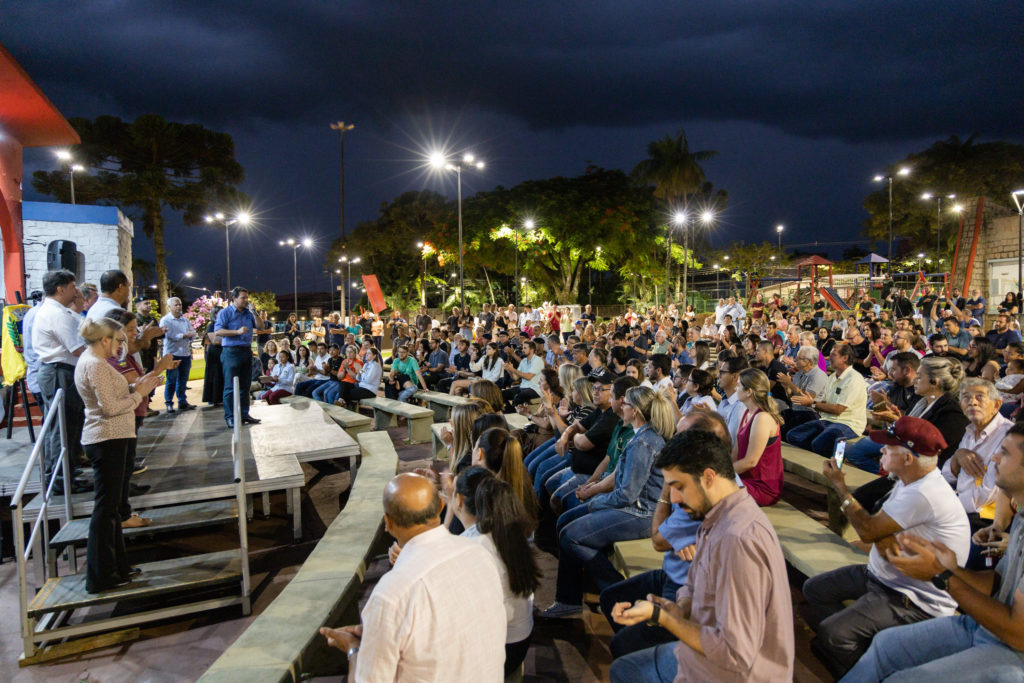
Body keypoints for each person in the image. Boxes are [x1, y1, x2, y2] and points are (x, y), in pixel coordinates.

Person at [607, 428, 794, 683]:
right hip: (707, 656)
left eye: (679, 486)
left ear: (708, 477)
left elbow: (734, 653)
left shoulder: (738, 539)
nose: (673, 498)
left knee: (625, 670)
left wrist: (662, 618)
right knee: (624, 662)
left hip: (734, 674)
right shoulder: (716, 516)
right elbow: (694, 585)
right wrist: (679, 608)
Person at [844, 423, 1024, 681]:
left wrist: (943, 576)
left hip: (1015, 653)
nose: (994, 457)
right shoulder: (1021, 518)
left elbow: (1019, 633)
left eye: (1004, 453)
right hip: (987, 629)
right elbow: (996, 582)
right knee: (885, 646)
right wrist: (949, 568)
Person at [803, 417, 972, 677]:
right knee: (814, 590)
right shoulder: (908, 480)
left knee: (834, 634)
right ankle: (864, 649)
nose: (881, 449)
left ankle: (874, 672)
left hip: (913, 599)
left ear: (908, 458)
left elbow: (868, 531)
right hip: (884, 576)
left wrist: (840, 487)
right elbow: (876, 536)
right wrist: (877, 534)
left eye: (889, 447)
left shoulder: (923, 492)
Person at [319, 473, 506, 681]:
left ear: (388, 523)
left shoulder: (391, 594)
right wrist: (379, 632)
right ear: (441, 507)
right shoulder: (479, 554)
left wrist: (354, 650)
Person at [598, 411, 730, 658]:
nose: (672, 441)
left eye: (680, 436)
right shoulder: (703, 480)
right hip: (674, 574)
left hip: (684, 585)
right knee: (611, 598)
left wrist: (666, 492)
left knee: (622, 648)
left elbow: (658, 541)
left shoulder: (704, 493)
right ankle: (647, 652)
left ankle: (652, 656)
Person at [538, 385, 675, 618]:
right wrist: (593, 488)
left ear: (636, 411)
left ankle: (619, 591)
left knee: (571, 536)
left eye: (626, 403)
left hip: (640, 514)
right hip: (631, 507)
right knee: (564, 521)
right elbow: (619, 476)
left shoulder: (643, 443)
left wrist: (594, 502)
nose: (621, 406)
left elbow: (627, 495)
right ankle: (569, 597)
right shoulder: (639, 435)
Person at [74, 317, 161, 593]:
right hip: (106, 438)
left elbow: (113, 396)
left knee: (110, 510)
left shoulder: (95, 362)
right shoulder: (95, 365)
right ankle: (102, 575)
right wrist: (139, 394)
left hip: (112, 437)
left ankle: (117, 567)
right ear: (104, 340)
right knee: (106, 509)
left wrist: (137, 388)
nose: (121, 345)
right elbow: (111, 408)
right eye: (118, 340)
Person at [452, 467, 541, 675]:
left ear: (459, 500)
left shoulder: (473, 545)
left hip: (500, 651)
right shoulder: (506, 528)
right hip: (519, 640)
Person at [34, 269, 88, 491]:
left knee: (65, 425)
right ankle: (60, 481)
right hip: (59, 373)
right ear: (60, 289)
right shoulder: (57, 314)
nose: (76, 292)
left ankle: (65, 474)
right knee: (62, 427)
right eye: (73, 287)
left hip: (59, 371)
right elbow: (77, 348)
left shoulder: (54, 311)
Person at [942, 379, 1014, 542]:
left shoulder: (1008, 435)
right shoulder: (970, 431)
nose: (972, 402)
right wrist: (957, 457)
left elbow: (989, 493)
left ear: (997, 404)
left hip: (986, 516)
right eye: (966, 397)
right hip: (962, 505)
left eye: (980, 396)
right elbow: (947, 476)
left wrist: (948, 505)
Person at [786, 343, 868, 456]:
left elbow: (838, 410)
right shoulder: (833, 377)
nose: (829, 358)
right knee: (793, 436)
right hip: (827, 420)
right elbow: (824, 402)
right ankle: (813, 458)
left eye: (833, 355)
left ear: (845, 358)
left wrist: (812, 403)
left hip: (848, 423)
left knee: (819, 443)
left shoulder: (853, 378)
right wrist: (811, 402)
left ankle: (830, 461)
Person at [212, 287, 267, 428]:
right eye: (243, 298)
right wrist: (236, 332)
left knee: (245, 386)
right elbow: (218, 331)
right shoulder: (225, 312)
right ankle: (230, 417)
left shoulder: (249, 313)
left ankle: (244, 414)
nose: (246, 300)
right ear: (234, 298)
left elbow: (261, 327)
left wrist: (255, 312)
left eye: (247, 298)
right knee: (230, 386)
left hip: (246, 351)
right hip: (231, 352)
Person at [733, 368, 784, 506]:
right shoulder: (747, 412)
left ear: (749, 391)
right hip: (744, 480)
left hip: (761, 486)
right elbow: (735, 454)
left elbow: (751, 461)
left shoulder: (762, 417)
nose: (735, 388)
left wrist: (721, 475)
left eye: (738, 385)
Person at [159, 296, 196, 413]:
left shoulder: (185, 320)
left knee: (183, 380)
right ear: (169, 307)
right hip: (172, 354)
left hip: (185, 353)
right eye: (176, 305)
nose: (179, 307)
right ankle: (169, 403)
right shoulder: (166, 320)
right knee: (171, 379)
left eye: (180, 304)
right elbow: (169, 336)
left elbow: (193, 333)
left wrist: (190, 335)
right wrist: (184, 335)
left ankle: (182, 401)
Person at [201, 301, 225, 407]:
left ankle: (222, 397)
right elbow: (215, 340)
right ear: (215, 314)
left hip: (223, 351)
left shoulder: (225, 325)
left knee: (223, 375)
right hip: (215, 353)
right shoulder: (212, 326)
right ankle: (215, 398)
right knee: (216, 375)